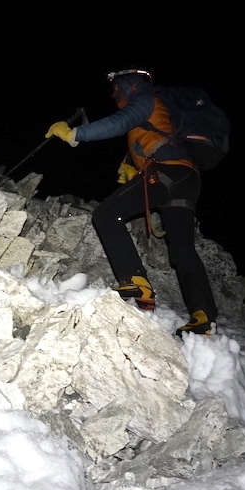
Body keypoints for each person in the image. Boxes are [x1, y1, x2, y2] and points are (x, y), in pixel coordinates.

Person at [45, 68, 219, 336]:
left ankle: (136, 280)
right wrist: (133, 169)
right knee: (182, 249)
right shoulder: (160, 110)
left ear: (130, 84)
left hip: (166, 172)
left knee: (106, 214)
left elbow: (121, 121)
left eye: (117, 87)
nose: (114, 93)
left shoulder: (146, 98)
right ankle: (203, 316)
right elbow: (154, 139)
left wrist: (75, 134)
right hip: (185, 178)